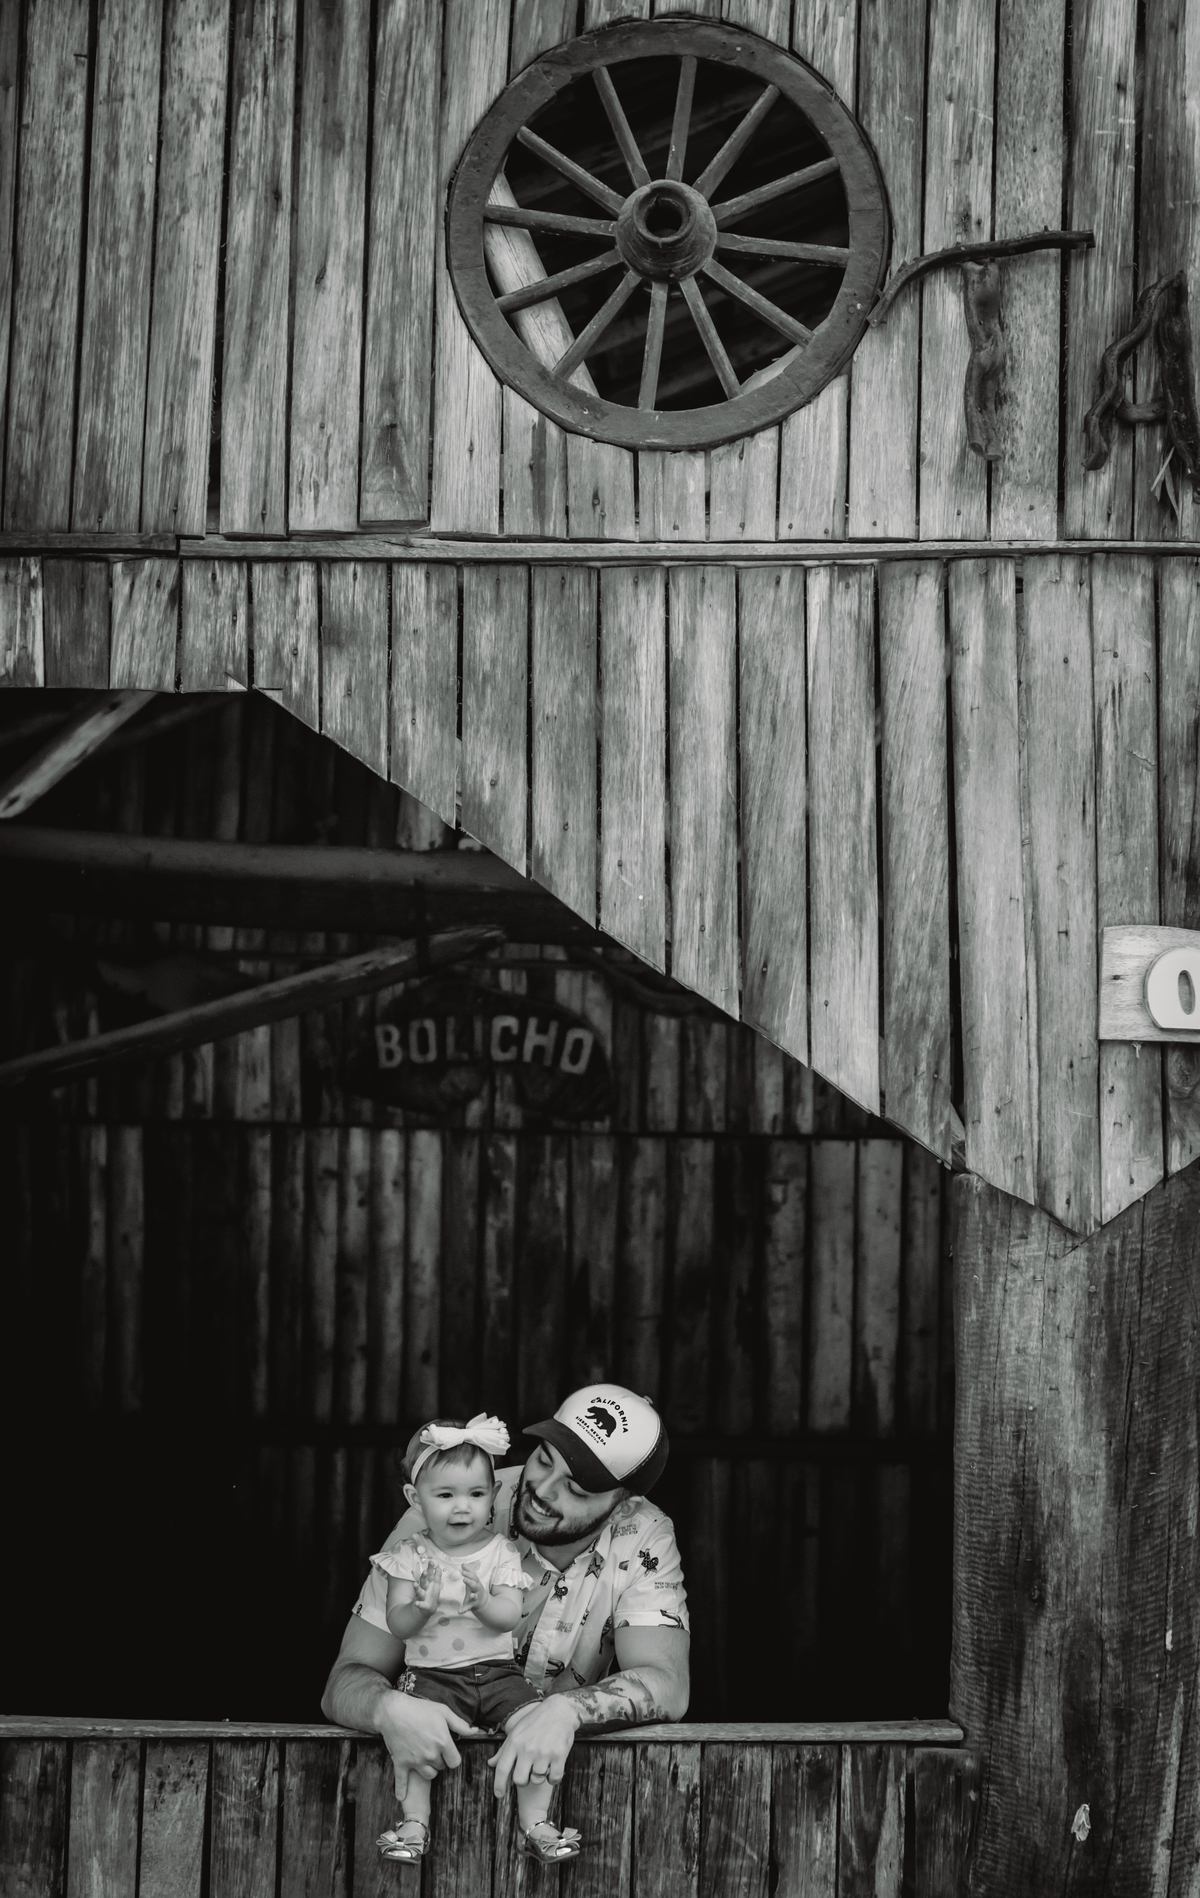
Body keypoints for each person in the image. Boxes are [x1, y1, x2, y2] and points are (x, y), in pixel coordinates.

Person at [321, 1384, 689, 1832]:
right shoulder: (449, 1504)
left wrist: (565, 1711)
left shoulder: (645, 1535)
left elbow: (668, 1683)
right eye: (544, 1459)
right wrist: (387, 1709)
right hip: (425, 1787)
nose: (542, 1490)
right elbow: (345, 1680)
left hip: (563, 1797)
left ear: (623, 1508)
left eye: (575, 1488)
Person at [370, 1413, 581, 1866]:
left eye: (476, 1494)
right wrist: (420, 1608)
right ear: (415, 1498)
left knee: (534, 1723)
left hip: (499, 1674)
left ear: (494, 1495)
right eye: (445, 1495)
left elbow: (507, 1616)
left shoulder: (501, 1551)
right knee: (417, 1735)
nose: (462, 1508)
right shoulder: (408, 1555)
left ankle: (537, 1824)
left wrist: (482, 1601)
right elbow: (398, 1624)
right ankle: (414, 1823)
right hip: (432, 1676)